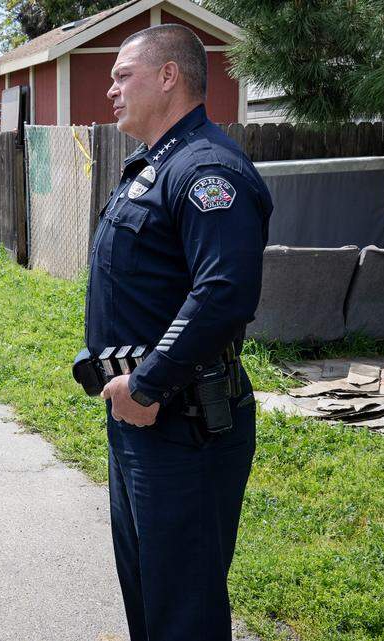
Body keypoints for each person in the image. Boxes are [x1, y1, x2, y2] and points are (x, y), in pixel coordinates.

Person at [87, 25, 273, 641]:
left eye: (122, 75)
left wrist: (147, 384)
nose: (110, 89)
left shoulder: (206, 169)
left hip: (183, 425)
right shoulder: (155, 165)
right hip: (142, 421)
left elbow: (224, 294)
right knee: (148, 593)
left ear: (169, 76)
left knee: (183, 608)